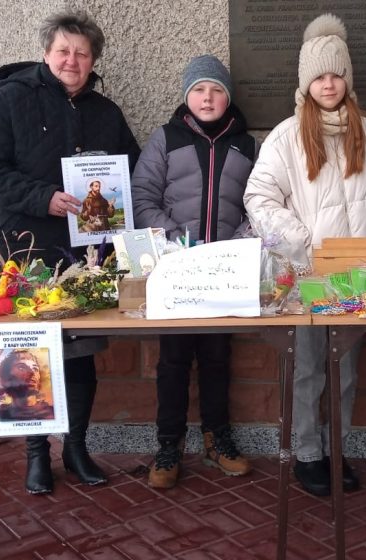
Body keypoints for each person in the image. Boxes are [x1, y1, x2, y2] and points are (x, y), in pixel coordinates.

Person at [0, 10, 141, 495]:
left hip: (85, 252)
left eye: (82, 53)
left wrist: (119, 205)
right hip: (26, 248)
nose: (72, 60)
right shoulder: (10, 101)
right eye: (64, 51)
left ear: (92, 61)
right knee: (27, 354)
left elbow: (128, 170)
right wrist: (41, 196)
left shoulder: (106, 113)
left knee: (80, 352)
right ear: (47, 53)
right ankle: (34, 454)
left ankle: (76, 446)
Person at [243, 14, 366, 497]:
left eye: (336, 74)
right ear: (307, 83)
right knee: (307, 369)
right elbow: (259, 198)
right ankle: (308, 453)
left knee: (345, 372)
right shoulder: (287, 136)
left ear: (347, 78)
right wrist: (304, 240)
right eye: (319, 77)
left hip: (359, 280)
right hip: (306, 273)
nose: (328, 84)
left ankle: (338, 452)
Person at [132, 55, 256, 489]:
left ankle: (217, 436)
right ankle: (168, 443)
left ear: (228, 97)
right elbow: (142, 196)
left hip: (223, 273)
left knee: (218, 356)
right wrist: (175, 241)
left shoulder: (245, 145)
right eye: (199, 89)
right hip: (176, 269)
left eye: (216, 89)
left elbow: (254, 204)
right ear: (187, 97)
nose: (208, 97)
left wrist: (239, 243)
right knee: (174, 360)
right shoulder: (166, 138)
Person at [0, 349, 54, 421]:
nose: (32, 373)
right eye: (21, 367)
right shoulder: (0, 416)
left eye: (35, 368)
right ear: (6, 377)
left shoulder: (53, 413)